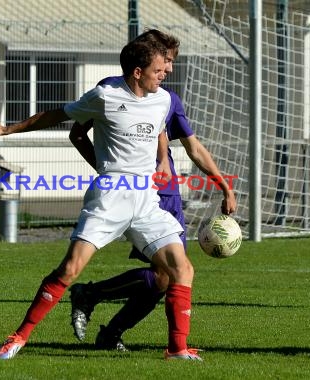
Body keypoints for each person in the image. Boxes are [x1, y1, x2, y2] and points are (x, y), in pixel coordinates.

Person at [0, 36, 201, 361]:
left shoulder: (164, 100)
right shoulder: (105, 95)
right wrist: (8, 130)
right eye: (158, 69)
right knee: (70, 269)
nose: (165, 73)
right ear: (137, 72)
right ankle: (19, 337)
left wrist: (164, 159)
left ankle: (177, 349)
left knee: (182, 269)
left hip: (146, 198)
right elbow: (56, 116)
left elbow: (156, 129)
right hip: (110, 195)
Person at [67, 29, 237, 351]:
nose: (169, 69)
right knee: (167, 275)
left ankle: (107, 326)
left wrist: (222, 184)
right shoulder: (112, 91)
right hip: (140, 191)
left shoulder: (166, 99)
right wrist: (110, 172)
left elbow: (193, 147)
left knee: (166, 277)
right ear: (145, 62)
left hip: (167, 192)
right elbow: (78, 134)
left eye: (171, 62)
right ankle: (97, 303)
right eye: (166, 62)